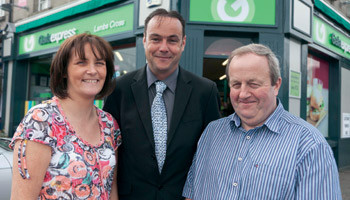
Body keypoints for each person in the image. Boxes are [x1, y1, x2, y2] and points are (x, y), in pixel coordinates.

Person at [183, 44, 342, 199]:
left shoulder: (309, 145)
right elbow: (192, 193)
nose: (243, 94)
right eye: (236, 84)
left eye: (254, 84)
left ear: (276, 85)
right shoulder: (212, 133)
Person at [103, 8, 221, 200]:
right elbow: (109, 153)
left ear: (183, 43)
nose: (164, 47)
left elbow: (213, 154)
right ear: (144, 41)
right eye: (156, 39)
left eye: (172, 40)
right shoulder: (118, 89)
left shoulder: (205, 92)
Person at [10, 33, 122, 200]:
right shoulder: (41, 121)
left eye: (99, 63)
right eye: (81, 62)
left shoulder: (109, 124)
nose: (92, 71)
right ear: (63, 71)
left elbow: (111, 189)